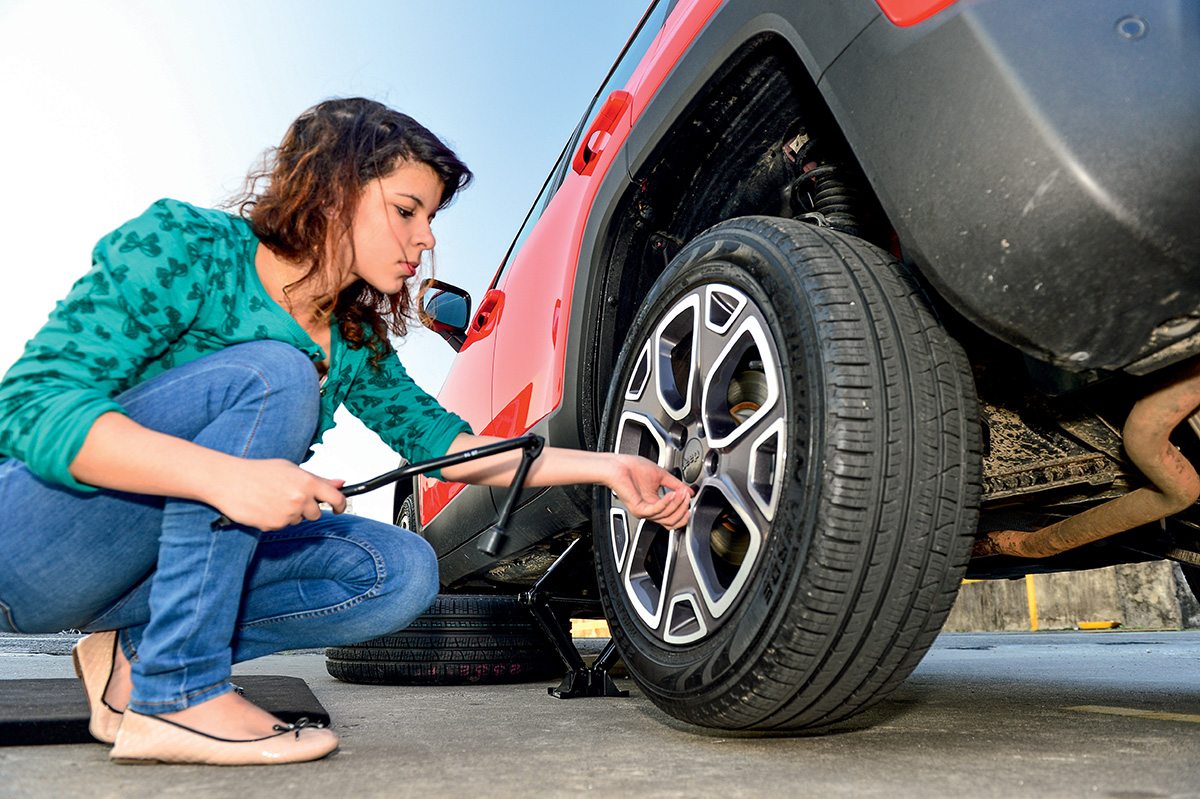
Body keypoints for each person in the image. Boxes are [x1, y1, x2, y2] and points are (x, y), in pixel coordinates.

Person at [0, 97, 692, 766]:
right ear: (331, 192)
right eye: (407, 210)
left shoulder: (354, 342)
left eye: (430, 218)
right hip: (33, 543)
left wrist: (608, 468)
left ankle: (135, 657)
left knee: (401, 571)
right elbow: (31, 406)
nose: (427, 238)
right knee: (276, 374)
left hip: (139, 576)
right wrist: (229, 478)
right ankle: (180, 689)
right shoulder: (189, 246)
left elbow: (451, 452)